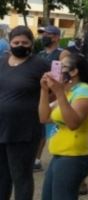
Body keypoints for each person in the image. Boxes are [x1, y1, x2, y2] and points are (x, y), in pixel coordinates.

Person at [38, 52, 88, 200]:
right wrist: (44, 91)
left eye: (62, 67)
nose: (58, 71)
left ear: (74, 71)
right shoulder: (68, 92)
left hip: (73, 157)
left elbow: (73, 123)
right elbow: (44, 117)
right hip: (59, 155)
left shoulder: (84, 92)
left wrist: (59, 92)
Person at [0, 26, 50, 200]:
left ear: (31, 44)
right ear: (10, 43)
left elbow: (52, 90)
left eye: (24, 42)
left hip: (24, 130)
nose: (20, 45)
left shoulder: (40, 65)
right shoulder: (1, 62)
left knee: (20, 176)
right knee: (2, 177)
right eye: (16, 42)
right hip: (2, 128)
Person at [35, 25, 64, 172]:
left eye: (49, 34)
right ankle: (35, 159)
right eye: (43, 33)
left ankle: (44, 159)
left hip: (53, 97)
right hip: (39, 96)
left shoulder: (62, 54)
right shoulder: (39, 54)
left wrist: (53, 96)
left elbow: (60, 79)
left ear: (57, 37)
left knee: (49, 129)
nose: (44, 36)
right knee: (38, 128)